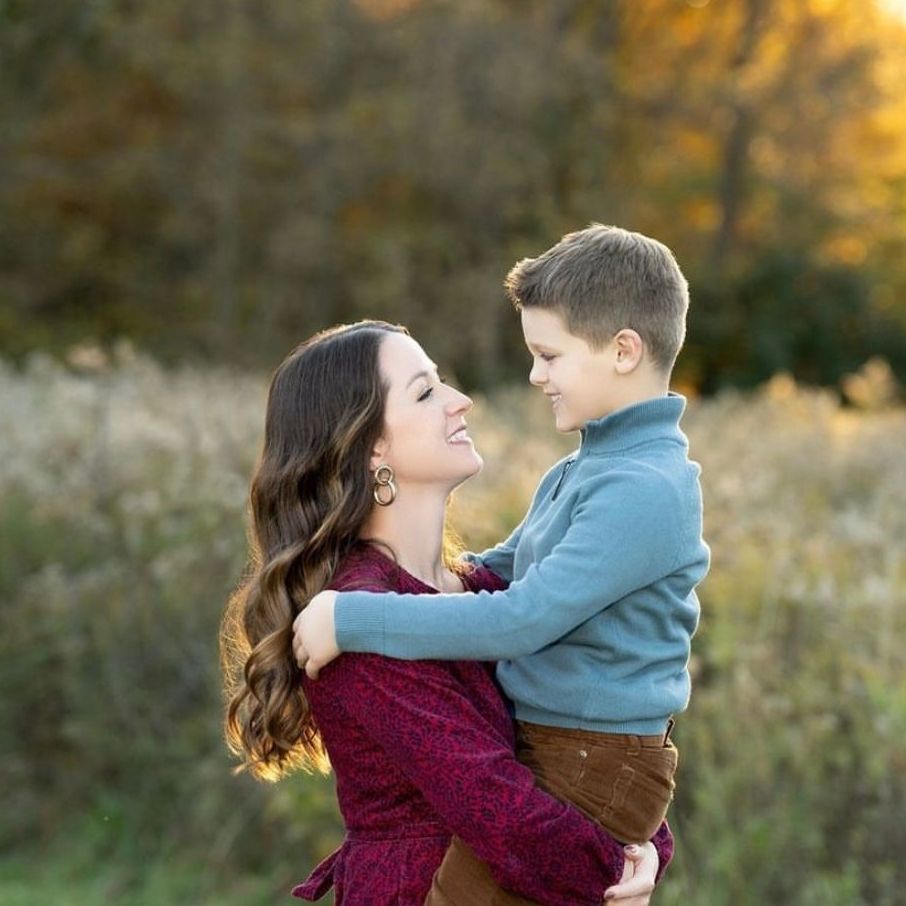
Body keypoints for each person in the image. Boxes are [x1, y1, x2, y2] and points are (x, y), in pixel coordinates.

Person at [293, 226, 711, 902]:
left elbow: (523, 615)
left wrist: (352, 616)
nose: (532, 375)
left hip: (588, 759)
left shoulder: (642, 484)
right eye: (427, 393)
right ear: (369, 446)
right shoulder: (584, 468)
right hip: (555, 775)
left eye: (548, 355)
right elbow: (503, 575)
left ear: (624, 350)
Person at [219, 320, 674, 906]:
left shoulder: (487, 595)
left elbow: (588, 727)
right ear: (371, 446)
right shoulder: (358, 622)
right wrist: (613, 866)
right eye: (426, 391)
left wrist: (645, 847)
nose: (461, 401)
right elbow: (498, 807)